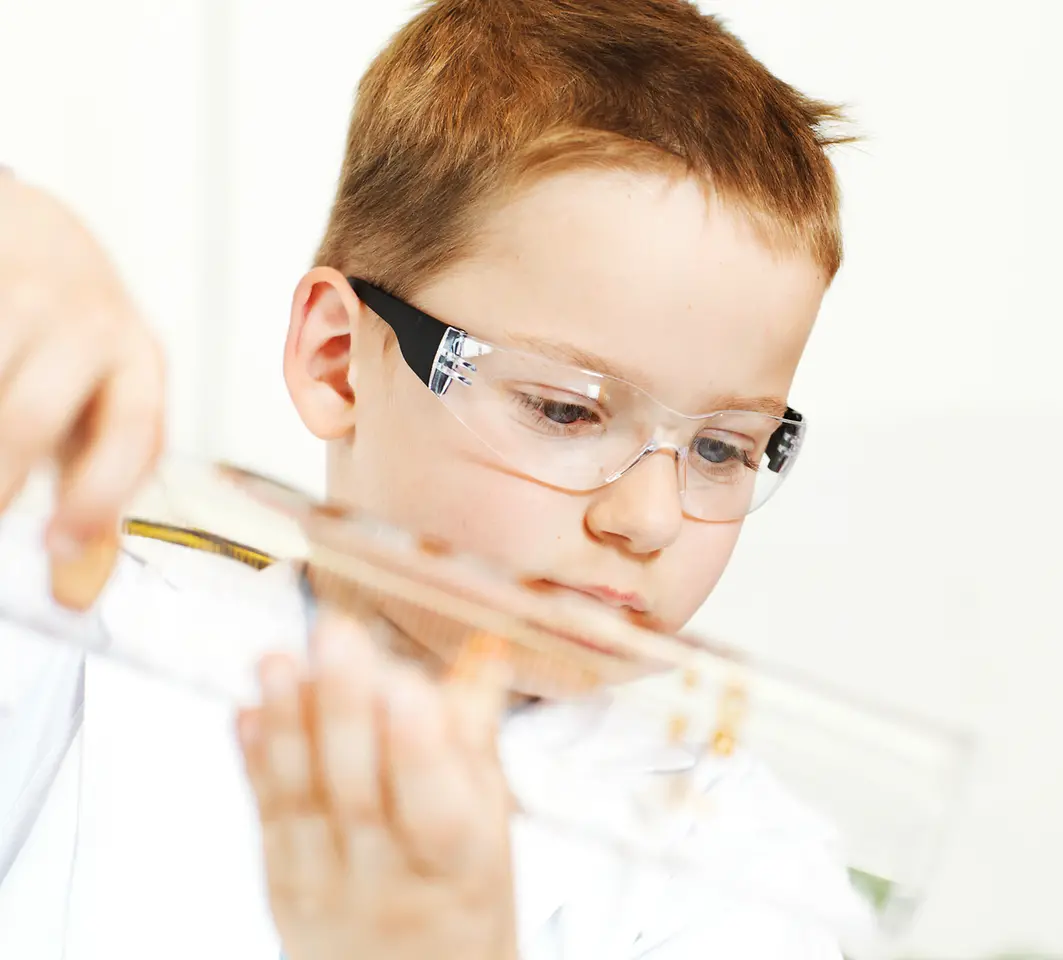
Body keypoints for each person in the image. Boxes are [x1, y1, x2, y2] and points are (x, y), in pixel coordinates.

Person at [0, 1, 855, 958]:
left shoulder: (750, 880)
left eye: (721, 450)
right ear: (338, 359)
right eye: (566, 410)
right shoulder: (90, 652)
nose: (652, 517)